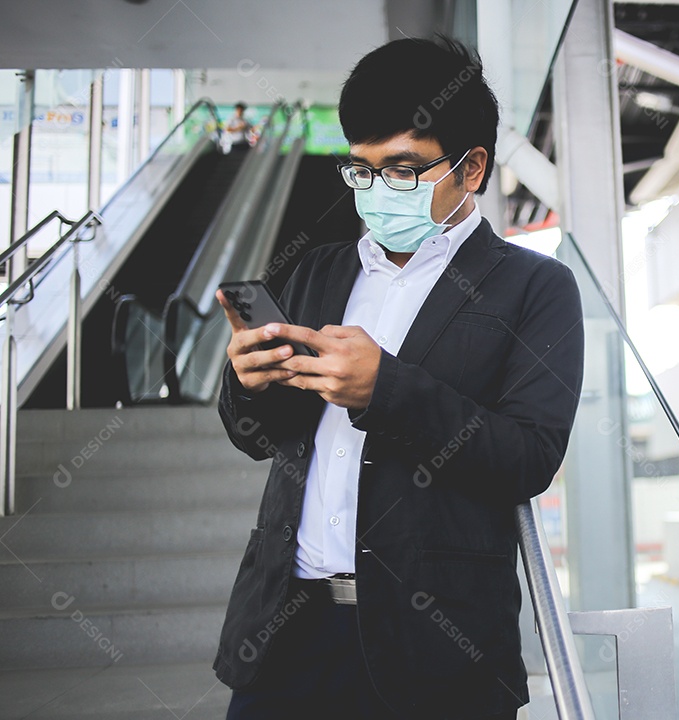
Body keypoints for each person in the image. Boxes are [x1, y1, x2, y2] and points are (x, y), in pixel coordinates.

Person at [212, 37, 585, 720]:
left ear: (471, 169)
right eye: (363, 169)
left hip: (438, 650)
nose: (379, 190)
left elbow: (529, 456)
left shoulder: (534, 288)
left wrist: (385, 389)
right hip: (285, 632)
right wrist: (248, 383)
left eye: (404, 169)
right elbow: (256, 438)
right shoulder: (316, 271)